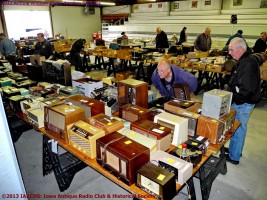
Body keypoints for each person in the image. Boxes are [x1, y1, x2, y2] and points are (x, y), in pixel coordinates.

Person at [226, 37, 261, 165]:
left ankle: (234, 156)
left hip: (243, 103)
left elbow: (246, 89)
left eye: (231, 50)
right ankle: (235, 150)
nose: (229, 52)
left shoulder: (248, 63)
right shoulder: (244, 60)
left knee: (238, 128)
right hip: (244, 101)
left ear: (240, 49)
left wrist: (236, 101)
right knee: (238, 127)